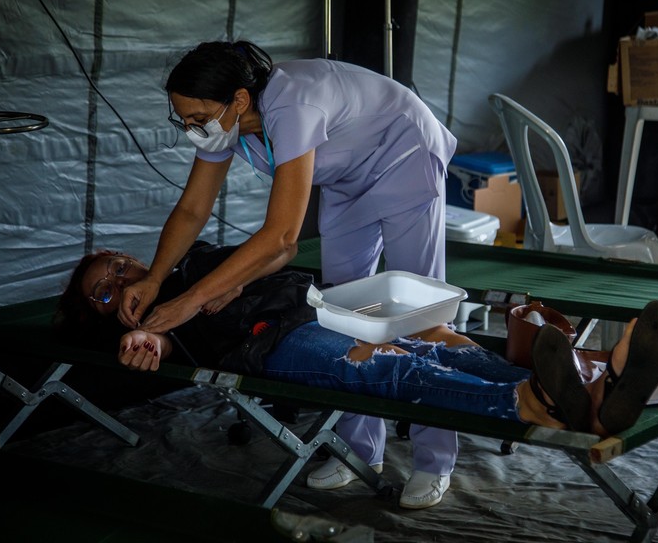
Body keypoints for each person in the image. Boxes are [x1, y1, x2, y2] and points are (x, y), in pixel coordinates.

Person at [58, 242, 658, 508]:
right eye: (104, 293)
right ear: (106, 322)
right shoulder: (157, 330)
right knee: (393, 367)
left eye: (116, 264)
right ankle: (545, 396)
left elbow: (268, 263)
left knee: (443, 338)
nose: (118, 278)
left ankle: (584, 391)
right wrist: (147, 338)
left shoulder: (192, 258)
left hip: (325, 305)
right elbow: (160, 350)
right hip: (278, 345)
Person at [116, 40, 460, 508]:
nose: (193, 130)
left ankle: (433, 460)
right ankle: (359, 451)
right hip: (347, 177)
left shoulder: (292, 104)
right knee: (343, 312)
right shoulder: (229, 126)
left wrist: (188, 300)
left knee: (420, 311)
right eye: (185, 121)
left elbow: (281, 238)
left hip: (407, 156)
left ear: (239, 99)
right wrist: (154, 279)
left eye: (198, 119)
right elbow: (193, 209)